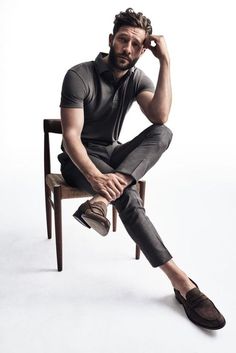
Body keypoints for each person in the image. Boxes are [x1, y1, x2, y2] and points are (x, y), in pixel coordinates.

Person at [58, 8, 225, 330]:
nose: (128, 49)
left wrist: (165, 62)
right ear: (111, 40)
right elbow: (70, 138)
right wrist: (94, 176)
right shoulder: (78, 75)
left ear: (143, 49)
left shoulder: (137, 78)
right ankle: (183, 283)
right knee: (130, 198)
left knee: (164, 132)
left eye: (137, 45)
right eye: (123, 41)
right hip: (79, 161)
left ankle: (100, 201)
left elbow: (159, 117)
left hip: (114, 154)